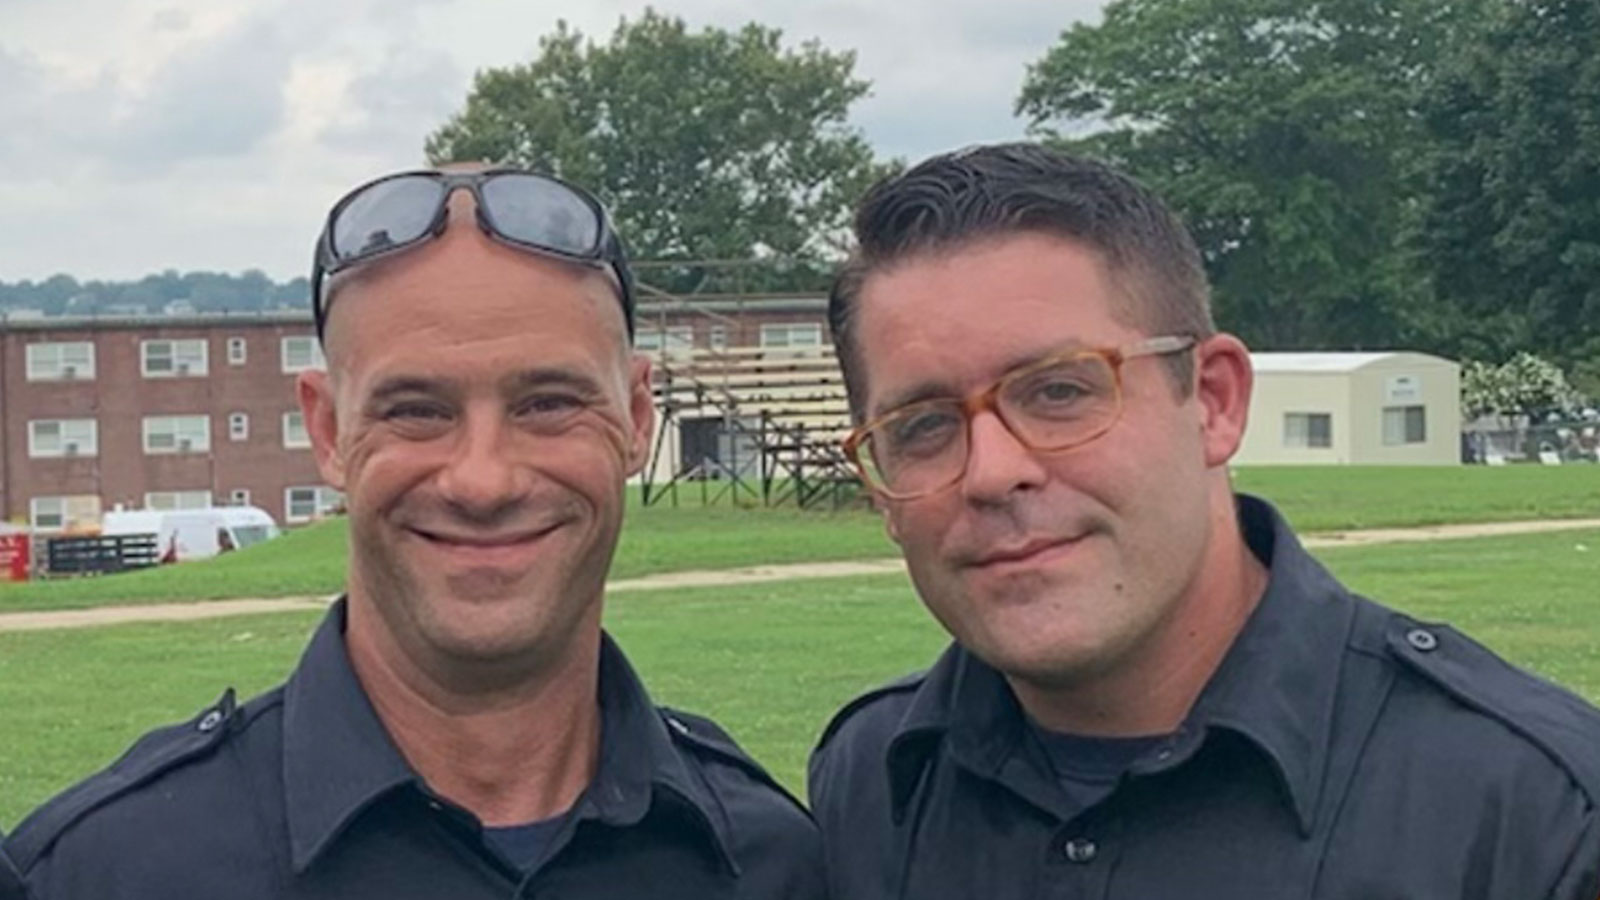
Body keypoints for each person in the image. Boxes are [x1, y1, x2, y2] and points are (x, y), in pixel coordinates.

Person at [4, 165, 824, 898]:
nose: (482, 479)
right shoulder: (103, 874)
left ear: (638, 418)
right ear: (326, 432)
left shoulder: (772, 862)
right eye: (416, 411)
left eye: (548, 403)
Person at [808, 143, 1600, 899]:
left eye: (1058, 391)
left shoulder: (1532, 816)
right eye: (922, 427)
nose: (990, 471)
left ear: (1216, 401)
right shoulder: (874, 783)